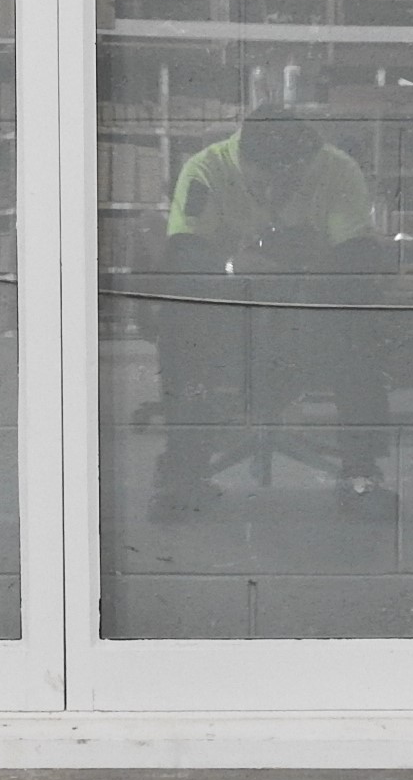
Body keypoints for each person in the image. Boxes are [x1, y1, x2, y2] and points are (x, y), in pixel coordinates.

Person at [151, 103, 392, 518]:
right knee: (182, 318)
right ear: (243, 159)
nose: (276, 196)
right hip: (226, 309)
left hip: (309, 303)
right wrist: (231, 267)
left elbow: (359, 256)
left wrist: (309, 268)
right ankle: (184, 471)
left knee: (359, 317)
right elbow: (183, 257)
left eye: (290, 182)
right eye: (264, 184)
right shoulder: (205, 170)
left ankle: (361, 471)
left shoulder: (336, 170)